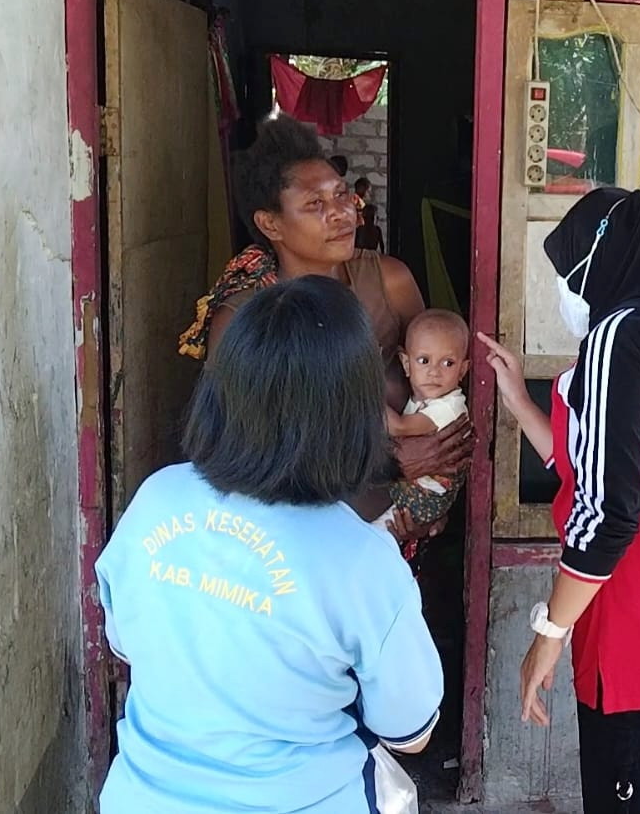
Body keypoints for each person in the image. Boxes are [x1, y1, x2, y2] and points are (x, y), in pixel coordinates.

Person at [98, 277, 443, 813]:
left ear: (221, 390)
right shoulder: (363, 559)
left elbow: (126, 646)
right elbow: (409, 732)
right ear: (353, 412)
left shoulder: (156, 499)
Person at [477, 188, 640, 814]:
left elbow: (609, 510)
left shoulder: (620, 333)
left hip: (639, 633)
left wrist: (551, 630)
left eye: (568, 270)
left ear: (600, 259)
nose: (566, 288)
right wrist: (519, 397)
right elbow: (597, 468)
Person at [177, 114, 469, 544]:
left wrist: (432, 501)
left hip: (394, 529)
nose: (341, 213)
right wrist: (390, 464)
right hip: (288, 540)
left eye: (342, 195)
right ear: (270, 224)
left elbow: (444, 394)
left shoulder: (389, 281)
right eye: (315, 204)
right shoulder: (243, 319)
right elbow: (241, 453)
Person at [378, 308, 469, 531]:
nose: (434, 372)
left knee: (376, 529)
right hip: (412, 490)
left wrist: (363, 393)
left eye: (447, 363)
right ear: (406, 364)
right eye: (424, 361)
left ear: (463, 370)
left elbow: (398, 427)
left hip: (424, 499)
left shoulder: (450, 407)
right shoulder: (422, 401)